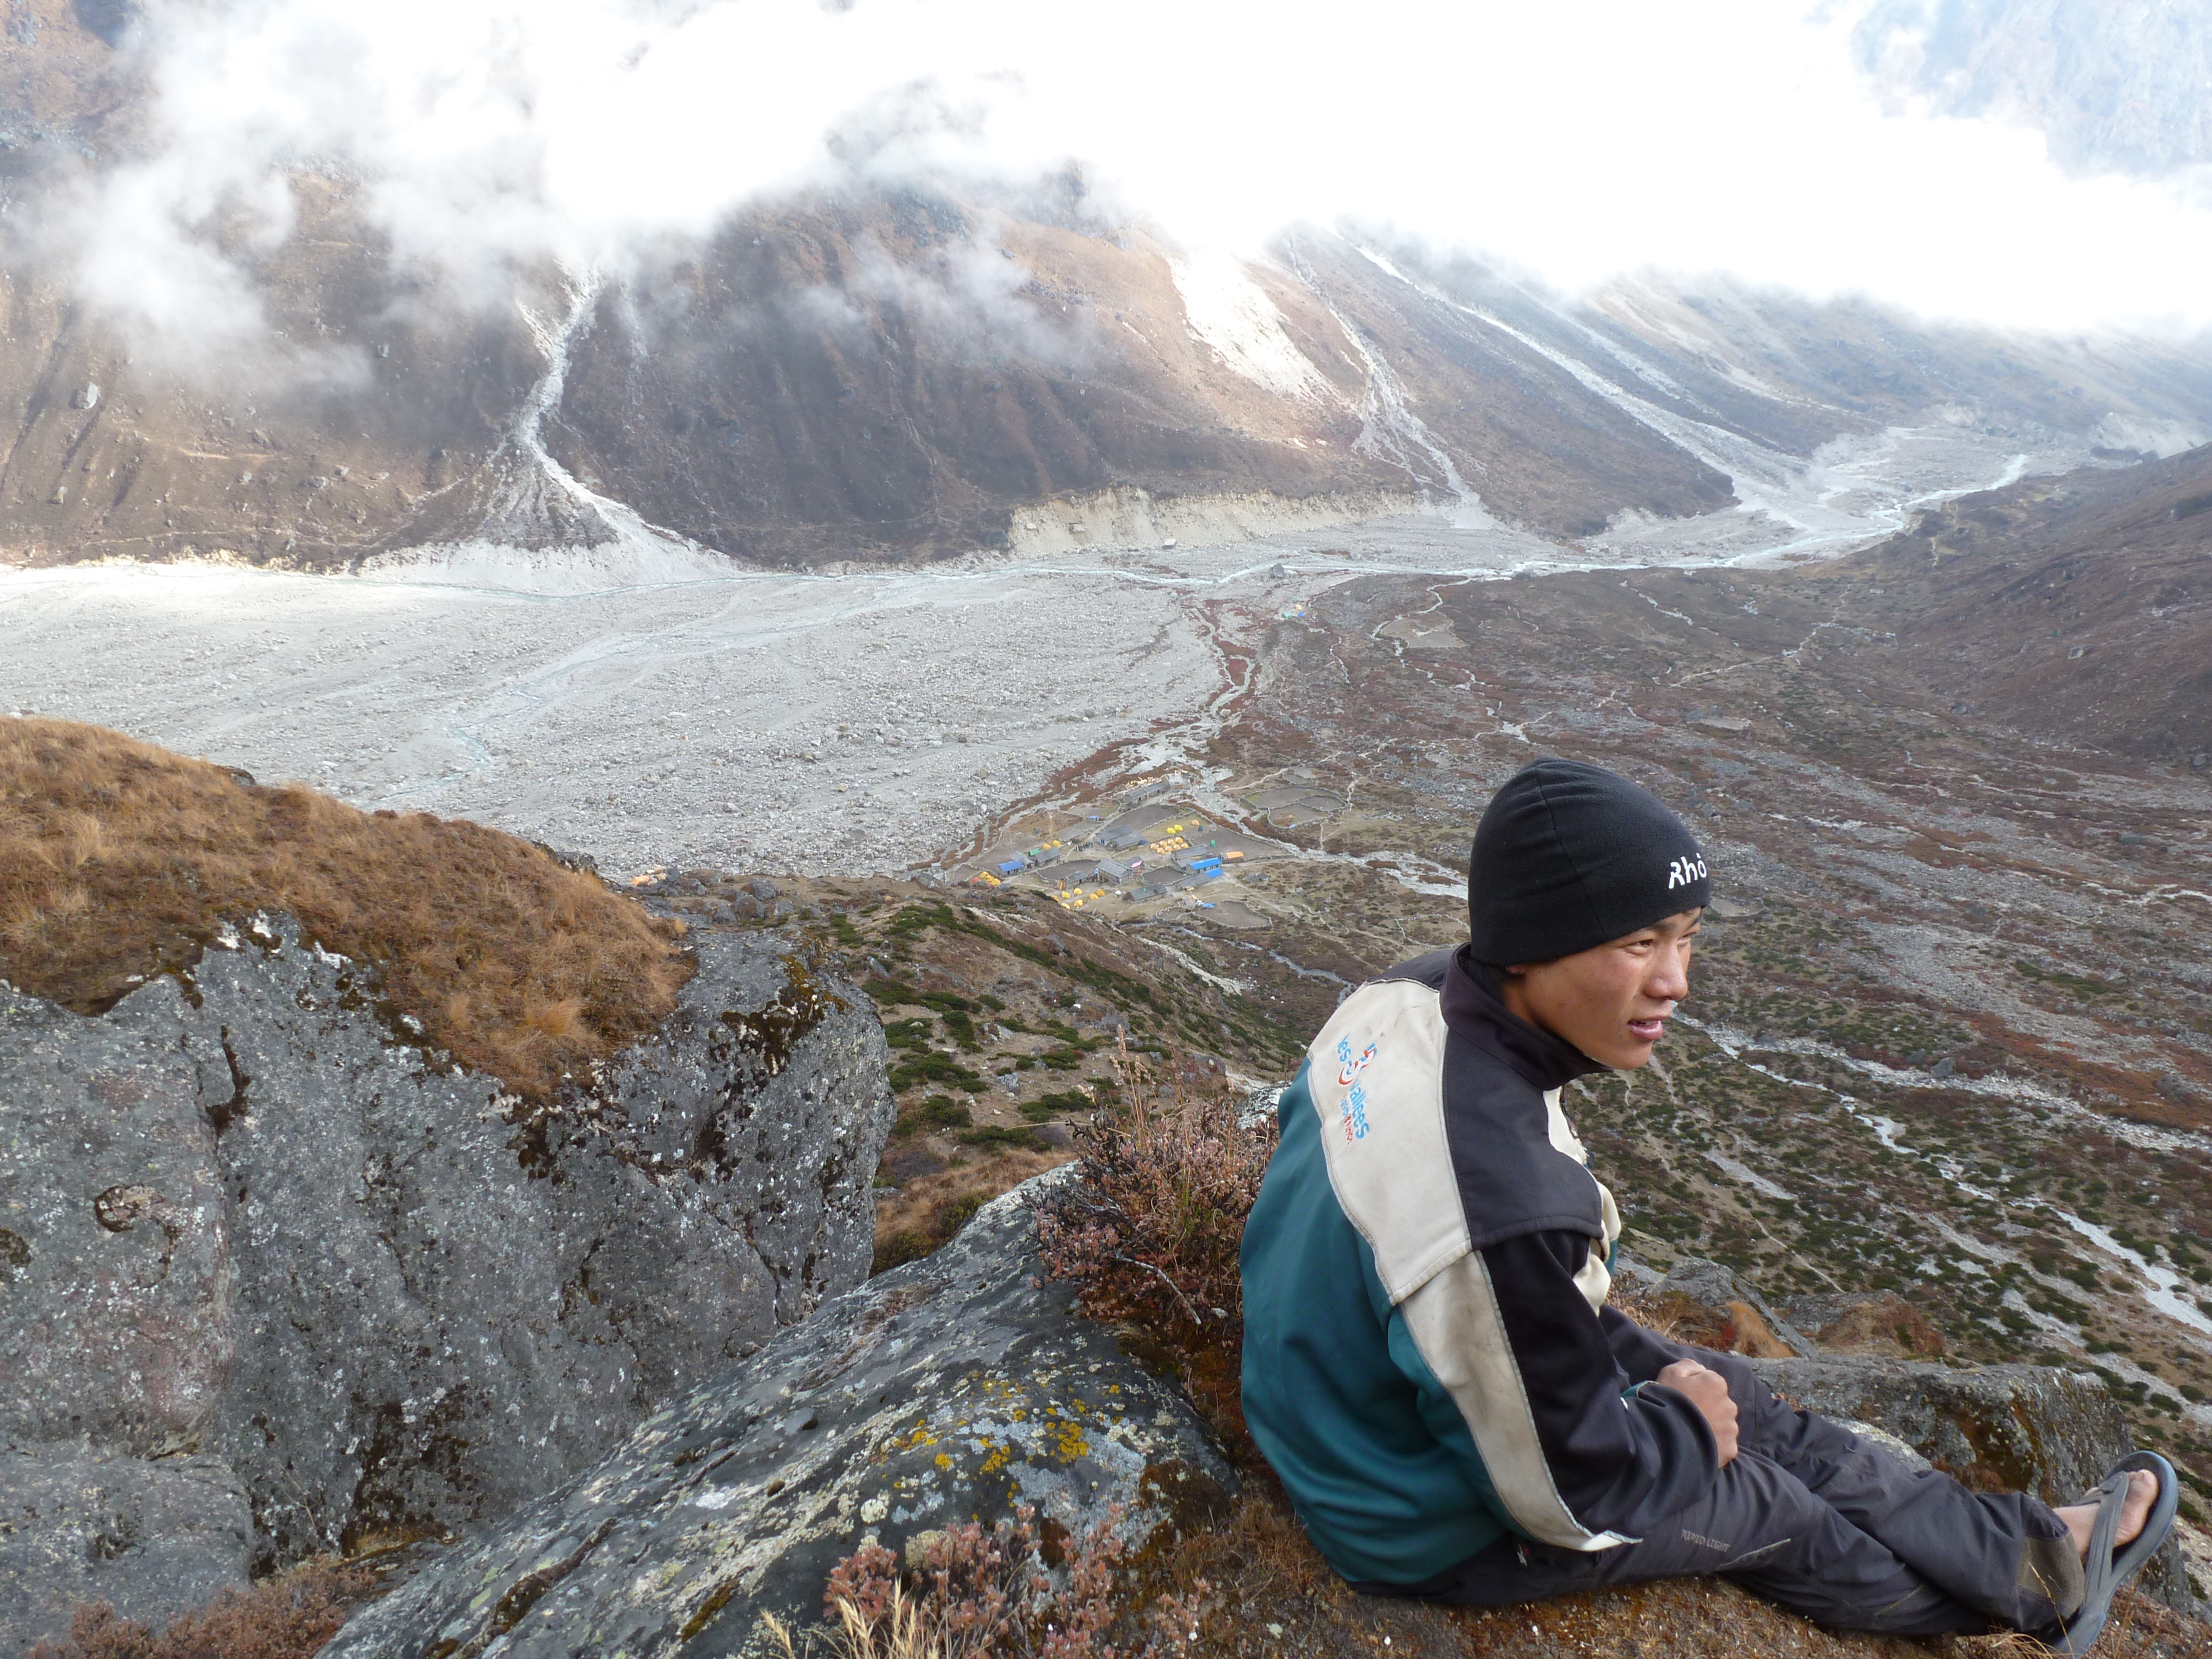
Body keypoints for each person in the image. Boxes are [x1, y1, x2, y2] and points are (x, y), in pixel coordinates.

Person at [1239, 756, 2175, 1651]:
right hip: (1404, 1510)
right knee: (1770, 1504)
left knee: (1747, 1401)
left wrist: (1694, 1406)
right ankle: (2039, 1596)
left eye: (1685, 937)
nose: (1675, 980)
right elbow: (1567, 1499)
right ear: (1528, 947)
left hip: (1336, 1391)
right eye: (1639, 943)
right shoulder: (1501, 1209)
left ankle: (2020, 1540)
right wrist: (1685, 1434)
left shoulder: (1405, 996)